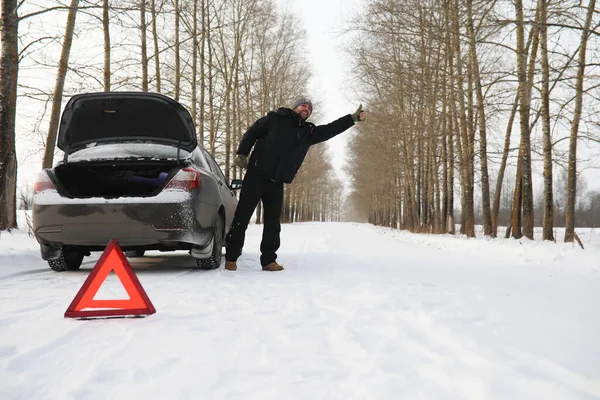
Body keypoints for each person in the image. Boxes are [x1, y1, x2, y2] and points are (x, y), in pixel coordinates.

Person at [224, 97, 366, 271]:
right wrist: (242, 153)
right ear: (295, 107)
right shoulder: (274, 118)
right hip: (256, 175)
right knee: (242, 217)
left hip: (277, 182)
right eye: (303, 105)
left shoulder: (308, 132)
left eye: (309, 108)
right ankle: (231, 257)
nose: (306, 108)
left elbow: (330, 129)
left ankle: (268, 260)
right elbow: (252, 132)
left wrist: (351, 119)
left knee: (273, 223)